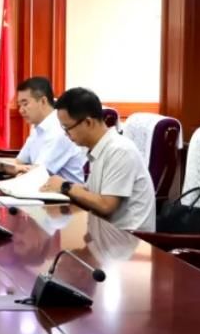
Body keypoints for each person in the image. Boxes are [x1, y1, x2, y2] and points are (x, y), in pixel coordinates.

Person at [42, 87, 156, 232]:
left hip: (129, 239)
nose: (66, 134)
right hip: (106, 233)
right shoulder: (99, 148)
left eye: (67, 128)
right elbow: (93, 193)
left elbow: (106, 205)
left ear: (88, 123)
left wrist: (65, 186)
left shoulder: (119, 150)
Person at [0, 76, 86, 183]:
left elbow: (37, 173)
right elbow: (19, 162)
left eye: (25, 104)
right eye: (19, 105)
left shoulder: (59, 130)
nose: (21, 110)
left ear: (43, 101)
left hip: (65, 195)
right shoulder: (37, 126)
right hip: (41, 188)